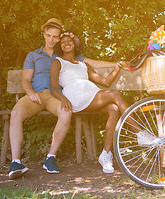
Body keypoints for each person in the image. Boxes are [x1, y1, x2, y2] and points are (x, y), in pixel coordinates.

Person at [8, 18, 121, 180]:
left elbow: (94, 63)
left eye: (56, 37)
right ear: (44, 35)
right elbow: (25, 80)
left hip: (56, 97)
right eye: (49, 36)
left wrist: (118, 64)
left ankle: (50, 158)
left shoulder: (65, 55)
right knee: (16, 113)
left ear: (60, 38)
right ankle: (16, 162)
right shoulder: (33, 55)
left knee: (66, 113)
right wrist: (31, 92)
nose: (52, 40)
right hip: (37, 95)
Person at [50, 31, 159, 173]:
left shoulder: (84, 65)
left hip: (90, 94)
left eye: (68, 40)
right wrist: (63, 99)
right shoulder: (58, 62)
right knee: (115, 94)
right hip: (75, 97)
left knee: (114, 108)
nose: (66, 43)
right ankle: (139, 132)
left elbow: (105, 82)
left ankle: (105, 155)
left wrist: (117, 67)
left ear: (75, 44)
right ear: (60, 46)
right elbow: (53, 88)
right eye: (62, 42)